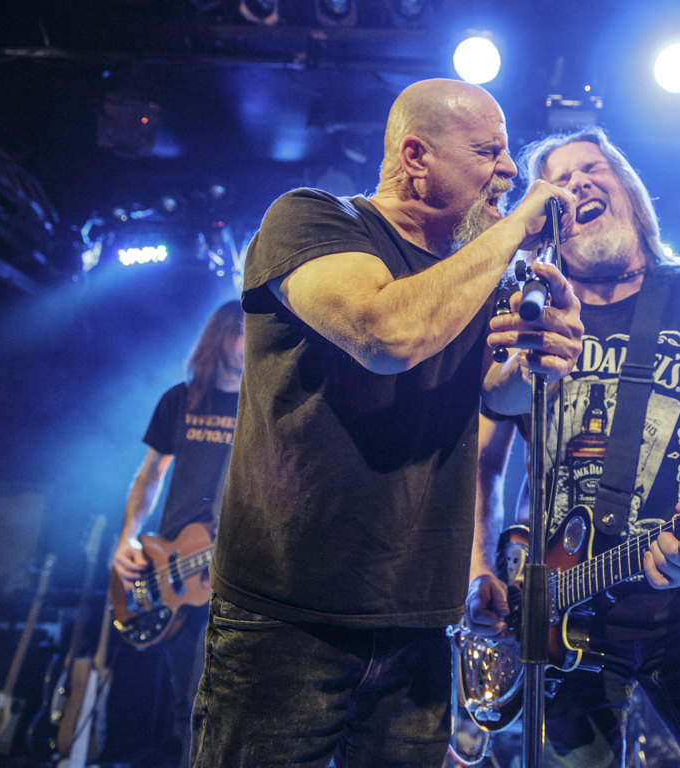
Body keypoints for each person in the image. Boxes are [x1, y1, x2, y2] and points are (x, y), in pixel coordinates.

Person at [190, 78, 584, 768]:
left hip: (420, 620)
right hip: (289, 618)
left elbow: (500, 398)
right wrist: (518, 225)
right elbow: (384, 335)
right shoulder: (312, 221)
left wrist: (542, 360)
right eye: (490, 152)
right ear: (416, 156)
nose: (512, 170)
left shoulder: (474, 275)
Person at [466, 126, 680, 768]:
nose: (577, 184)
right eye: (557, 183)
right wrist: (477, 569)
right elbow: (479, 462)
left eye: (591, 169)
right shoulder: (522, 310)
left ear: (628, 188)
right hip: (551, 611)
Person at [110, 298, 244, 768]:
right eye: (243, 332)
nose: (252, 343)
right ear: (222, 336)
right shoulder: (180, 400)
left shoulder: (261, 407)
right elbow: (150, 476)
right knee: (181, 707)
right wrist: (128, 539)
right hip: (174, 568)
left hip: (231, 569)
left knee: (222, 705)